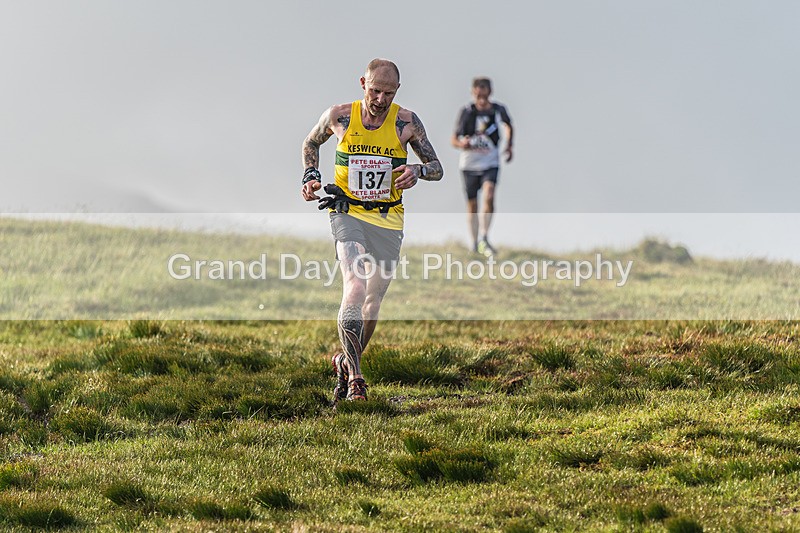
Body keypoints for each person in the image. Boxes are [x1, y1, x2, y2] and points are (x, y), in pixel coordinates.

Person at [301, 58, 443, 403]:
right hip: (347, 211)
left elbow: (436, 167)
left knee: (373, 303)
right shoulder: (339, 116)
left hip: (388, 218)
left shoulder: (407, 122)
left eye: (388, 93)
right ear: (363, 84)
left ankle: (344, 361)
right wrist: (311, 176)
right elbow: (310, 144)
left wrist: (417, 172)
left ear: (397, 91)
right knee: (355, 285)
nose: (380, 99)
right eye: (376, 91)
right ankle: (356, 380)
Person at [451, 77, 513, 256]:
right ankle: (474, 242)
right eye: (478, 94)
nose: (481, 98)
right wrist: (461, 144)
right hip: (469, 165)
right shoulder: (466, 112)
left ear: (490, 92)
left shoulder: (498, 110)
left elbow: (508, 126)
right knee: (472, 205)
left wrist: (509, 145)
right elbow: (454, 139)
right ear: (473, 93)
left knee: (489, 194)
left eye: (484, 94)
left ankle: (484, 237)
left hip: (490, 163)